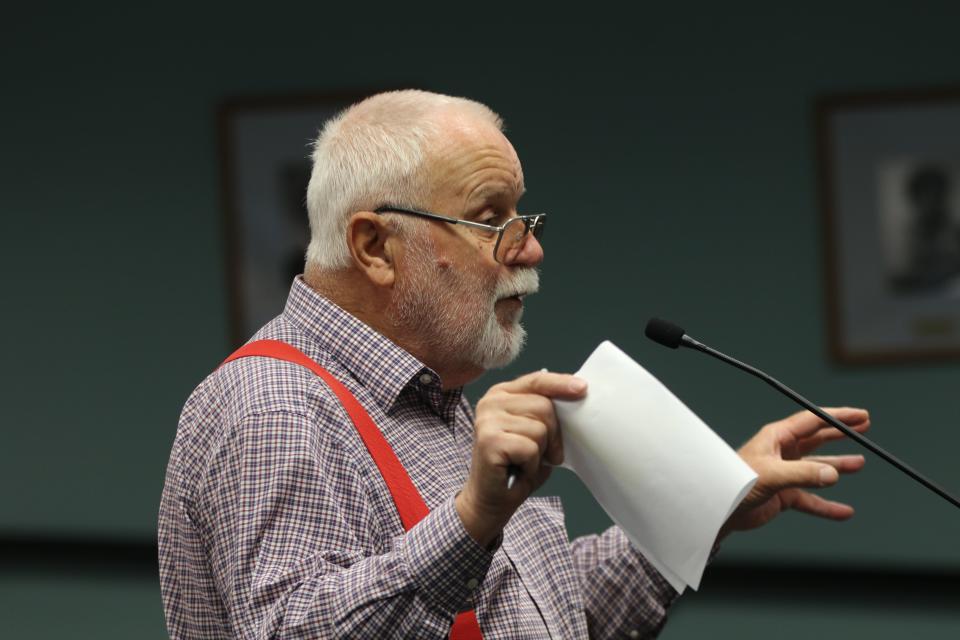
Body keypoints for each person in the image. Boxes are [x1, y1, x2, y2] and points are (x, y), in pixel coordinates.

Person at [158, 90, 870, 639]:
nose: (528, 250)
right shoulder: (272, 403)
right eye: (491, 218)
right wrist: (471, 519)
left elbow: (534, 611)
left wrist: (710, 505)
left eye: (523, 217)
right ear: (375, 247)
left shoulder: (433, 400)